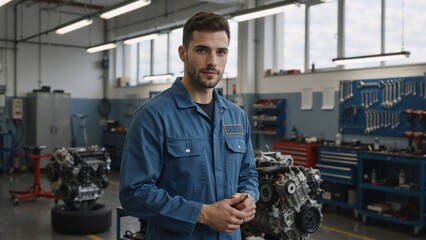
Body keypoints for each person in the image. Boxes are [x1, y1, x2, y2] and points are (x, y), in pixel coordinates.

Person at [119, 12, 259, 240]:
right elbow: (134, 193)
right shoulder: (152, 116)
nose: (213, 61)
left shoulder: (237, 116)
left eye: (221, 52)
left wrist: (249, 196)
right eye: (202, 50)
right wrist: (201, 214)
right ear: (183, 53)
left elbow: (248, 173)